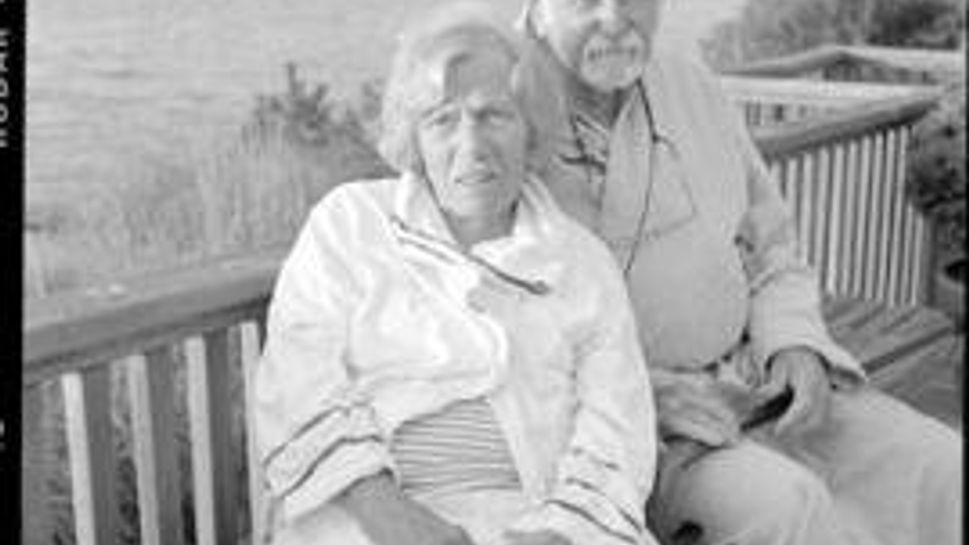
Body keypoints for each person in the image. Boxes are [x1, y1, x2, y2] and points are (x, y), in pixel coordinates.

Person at [514, 1, 963, 544]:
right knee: (786, 507)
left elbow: (770, 244)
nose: (614, 17)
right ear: (536, 11)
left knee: (939, 464)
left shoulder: (690, 86)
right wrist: (642, 398)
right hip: (632, 426)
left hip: (757, 380)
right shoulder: (497, 109)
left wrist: (793, 344)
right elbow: (473, 314)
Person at [253, 5, 661, 545]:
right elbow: (298, 386)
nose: (471, 145)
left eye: (493, 115)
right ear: (414, 138)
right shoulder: (349, 226)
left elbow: (618, 430)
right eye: (443, 120)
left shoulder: (580, 262)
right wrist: (396, 523)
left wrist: (553, 536)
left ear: (530, 129)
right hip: (369, 521)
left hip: (540, 521)